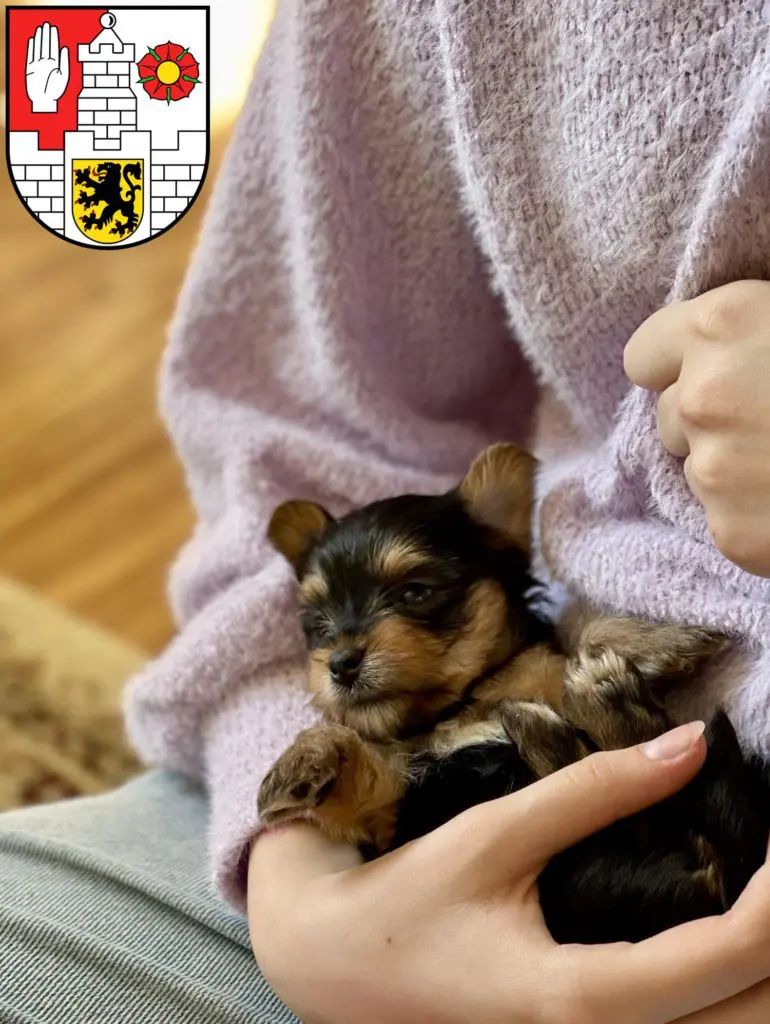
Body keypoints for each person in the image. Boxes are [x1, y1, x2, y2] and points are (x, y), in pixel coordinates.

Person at [3, 1, 770, 1021]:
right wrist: (304, 899)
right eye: (326, 621)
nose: (350, 646)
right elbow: (300, 416)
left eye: (416, 595)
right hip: (416, 913)